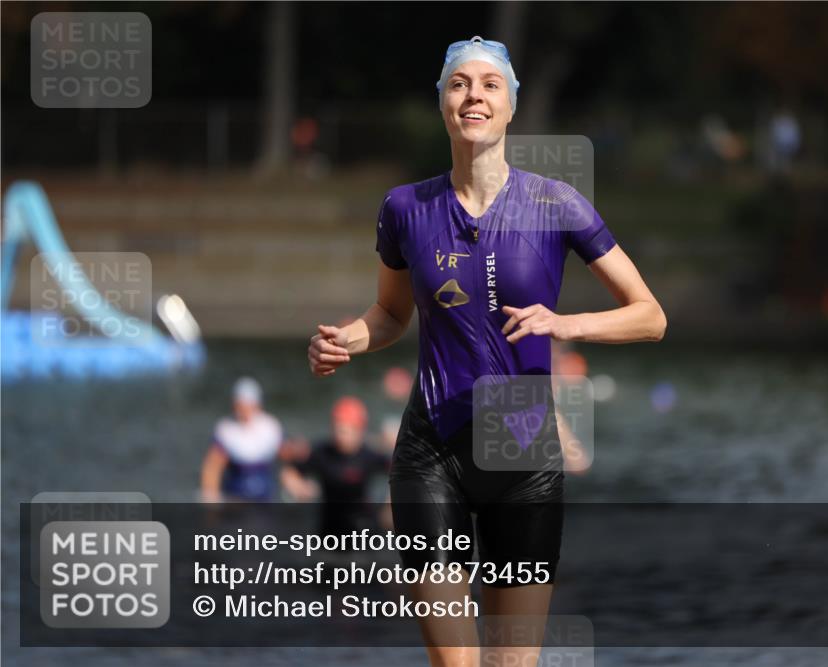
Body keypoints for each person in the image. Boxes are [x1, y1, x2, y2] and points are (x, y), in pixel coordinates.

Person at [307, 36, 666, 667]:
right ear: (443, 103)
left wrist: (565, 324)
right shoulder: (405, 207)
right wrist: (346, 340)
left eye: (489, 85)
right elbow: (390, 314)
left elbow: (650, 317)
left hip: (522, 450)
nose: (474, 95)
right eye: (459, 84)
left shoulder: (555, 203)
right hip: (430, 452)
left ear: (510, 106)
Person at [281, 396, 391, 536]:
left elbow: (399, 472)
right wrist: (300, 488)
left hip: (363, 526)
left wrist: (390, 505)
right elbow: (289, 472)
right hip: (329, 527)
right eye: (337, 429)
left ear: (360, 431)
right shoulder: (322, 453)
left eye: (346, 431)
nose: (340, 436)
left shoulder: (369, 455)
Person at [200, 377, 295, 502]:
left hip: (264, 498)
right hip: (235, 499)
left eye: (248, 405)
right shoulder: (226, 429)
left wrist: (295, 484)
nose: (245, 409)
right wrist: (210, 498)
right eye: (241, 405)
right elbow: (213, 468)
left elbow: (285, 460)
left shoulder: (270, 426)